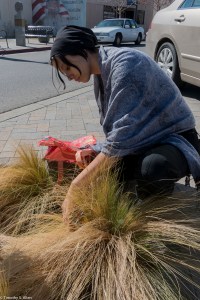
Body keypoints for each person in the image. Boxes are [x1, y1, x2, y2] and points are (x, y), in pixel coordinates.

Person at [50, 25, 200, 220]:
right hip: (143, 140)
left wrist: (75, 187)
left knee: (152, 169)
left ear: (81, 50)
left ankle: (157, 220)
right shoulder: (101, 74)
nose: (68, 75)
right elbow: (120, 133)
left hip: (174, 137)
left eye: (67, 66)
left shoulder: (127, 64)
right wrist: (97, 150)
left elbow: (121, 138)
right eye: (63, 71)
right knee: (107, 173)